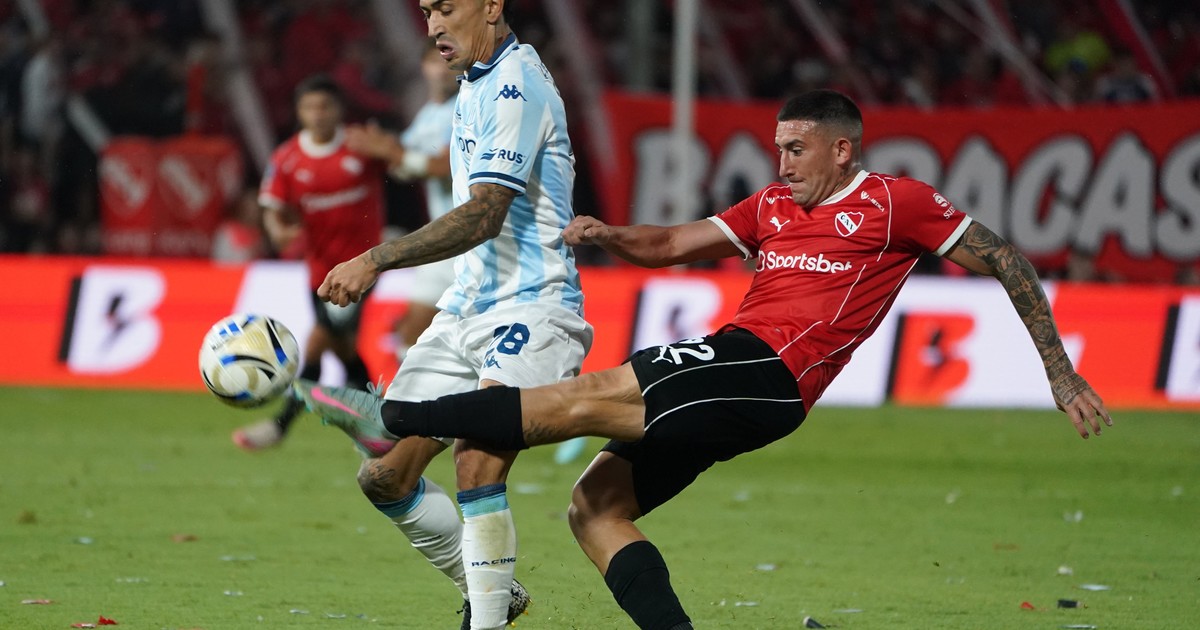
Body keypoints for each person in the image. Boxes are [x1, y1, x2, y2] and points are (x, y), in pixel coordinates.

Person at [296, 89, 1113, 630]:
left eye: (798, 149)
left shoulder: (895, 202)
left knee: (579, 399)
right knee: (595, 508)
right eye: (779, 147)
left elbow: (1004, 257)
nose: (783, 163)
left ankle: (390, 416)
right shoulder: (771, 207)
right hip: (739, 386)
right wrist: (609, 236)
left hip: (761, 367)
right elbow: (673, 244)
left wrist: (1059, 369)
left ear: (842, 149)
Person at [308, 1, 592, 628]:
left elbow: (486, 213)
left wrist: (376, 258)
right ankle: (494, 592)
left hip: (533, 305)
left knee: (475, 457)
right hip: (465, 306)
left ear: (491, 6)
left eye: (446, 8)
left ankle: (484, 621)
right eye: (426, 11)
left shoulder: (516, 85)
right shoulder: (475, 81)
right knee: (384, 476)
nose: (433, 24)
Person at [231, 74, 383, 452]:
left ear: (339, 110)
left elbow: (401, 168)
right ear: (299, 112)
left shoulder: (361, 146)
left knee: (317, 343)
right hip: (317, 272)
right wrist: (278, 229)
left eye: (325, 106)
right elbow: (272, 208)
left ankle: (280, 425)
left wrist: (393, 151)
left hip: (360, 270)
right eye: (310, 107)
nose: (318, 114)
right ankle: (380, 423)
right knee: (342, 349)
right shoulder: (286, 158)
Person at [344, 42, 459, 363]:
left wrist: (391, 152)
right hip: (444, 237)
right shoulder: (427, 115)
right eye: (435, 61)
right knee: (411, 331)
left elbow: (445, 167)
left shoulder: (466, 106)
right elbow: (404, 163)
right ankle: (408, 394)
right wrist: (384, 149)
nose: (442, 68)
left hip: (475, 236)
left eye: (448, 60)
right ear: (424, 67)